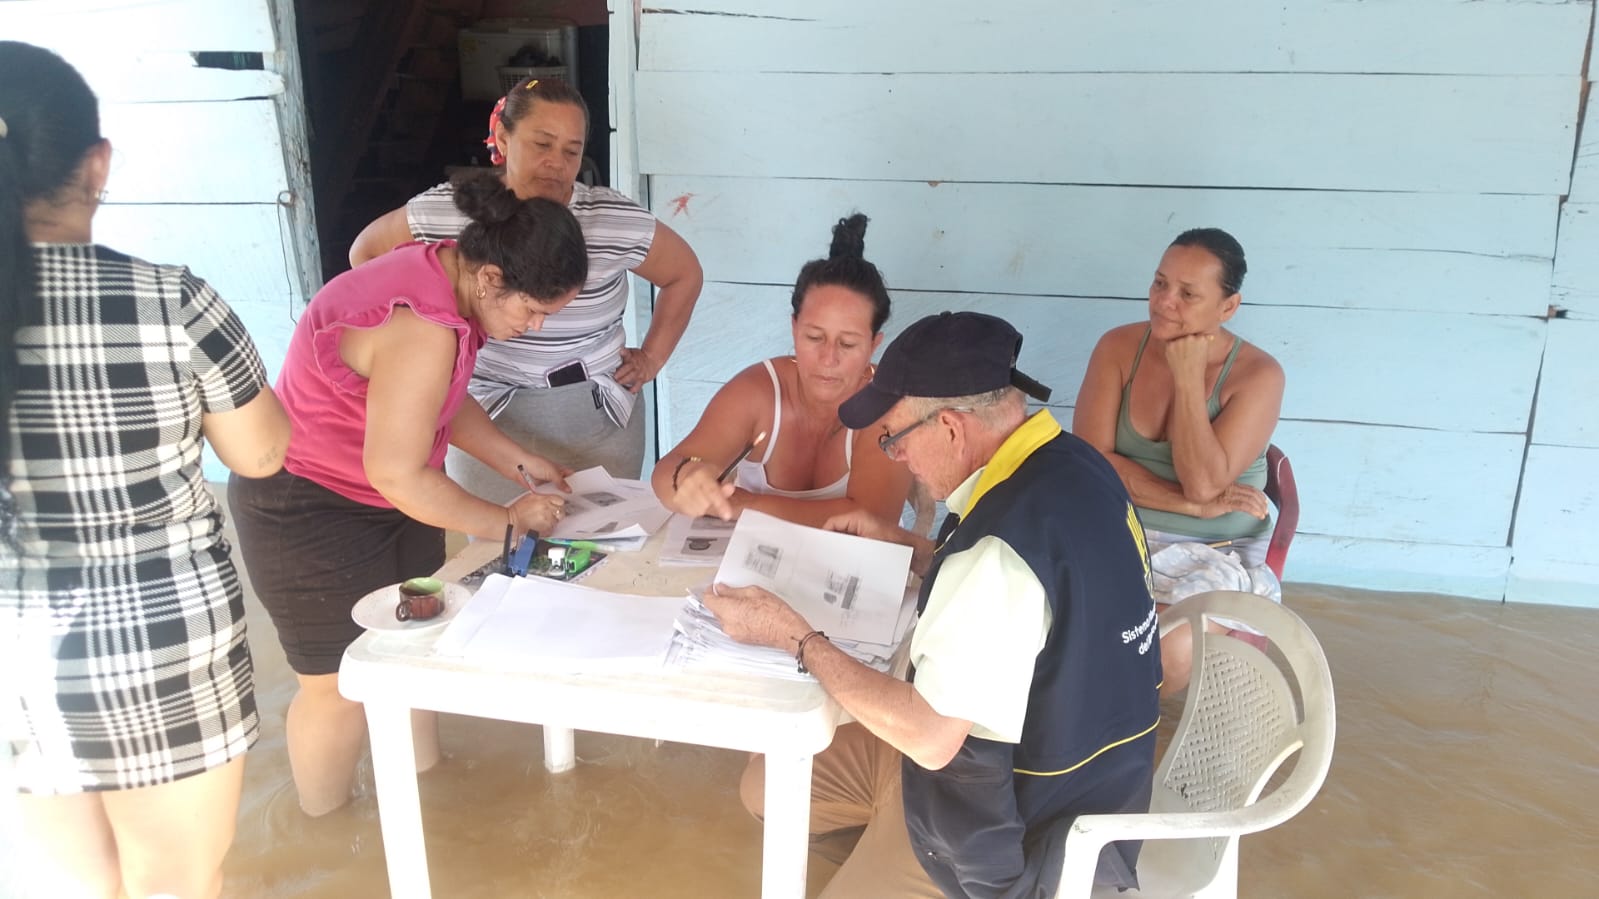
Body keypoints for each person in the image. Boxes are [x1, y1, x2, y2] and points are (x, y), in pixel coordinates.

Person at [704, 311, 1163, 897]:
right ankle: (885, 841)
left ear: (951, 427)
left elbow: (929, 737)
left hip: (1014, 828)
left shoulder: (996, 557)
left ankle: (907, 866)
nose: (894, 455)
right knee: (765, 789)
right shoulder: (1073, 463)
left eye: (894, 436)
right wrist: (909, 546)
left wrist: (794, 636)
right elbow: (1039, 593)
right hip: (1086, 774)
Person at [0, 42, 292, 898]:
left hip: (14, 651)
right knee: (177, 882)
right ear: (96, 164)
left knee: (78, 887)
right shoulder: (173, 301)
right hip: (161, 643)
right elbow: (262, 451)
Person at [228, 173, 587, 816]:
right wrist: (507, 523)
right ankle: (324, 830)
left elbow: (434, 400)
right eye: (533, 310)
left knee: (415, 653)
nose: (534, 328)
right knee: (337, 685)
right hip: (307, 508)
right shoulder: (423, 324)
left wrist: (518, 461)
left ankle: (432, 797)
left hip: (389, 502)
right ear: (490, 280)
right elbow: (399, 471)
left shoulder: (449, 274)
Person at [349, 77, 704, 487]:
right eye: (542, 144)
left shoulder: (611, 220)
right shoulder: (451, 211)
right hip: (485, 414)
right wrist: (425, 347)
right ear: (503, 138)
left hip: (598, 411)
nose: (557, 161)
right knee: (496, 545)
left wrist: (654, 357)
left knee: (604, 545)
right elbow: (367, 255)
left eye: (572, 151)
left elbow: (684, 274)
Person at [1071, 227, 1285, 696]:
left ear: (1228, 308)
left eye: (1188, 293)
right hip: (1117, 530)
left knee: (1162, 653)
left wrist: (1188, 376)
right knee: (1045, 615)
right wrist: (1190, 506)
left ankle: (1112, 743)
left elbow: (1204, 484)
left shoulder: (1258, 374)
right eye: (1159, 283)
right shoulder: (1118, 348)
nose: (1164, 301)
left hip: (1215, 550)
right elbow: (1089, 466)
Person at [651, 214, 912, 528]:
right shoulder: (759, 390)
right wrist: (687, 477)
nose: (828, 358)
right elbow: (667, 472)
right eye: (814, 338)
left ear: (873, 345)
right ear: (794, 330)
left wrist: (744, 504)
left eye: (848, 344)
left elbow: (871, 519)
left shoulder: (888, 406)